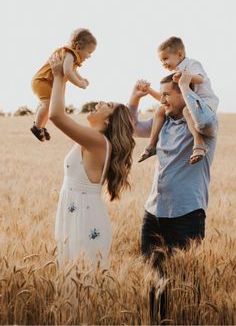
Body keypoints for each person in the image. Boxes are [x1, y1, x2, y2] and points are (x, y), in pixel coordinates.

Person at [128, 72, 218, 320]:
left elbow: (204, 122)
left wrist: (186, 86)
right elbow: (134, 127)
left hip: (185, 214)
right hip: (153, 212)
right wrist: (135, 98)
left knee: (184, 283)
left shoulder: (204, 125)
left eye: (168, 94)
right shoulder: (164, 121)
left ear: (183, 95)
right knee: (153, 280)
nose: (162, 100)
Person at [49, 52, 135, 267]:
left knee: (80, 284)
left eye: (106, 104)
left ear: (108, 120)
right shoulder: (95, 140)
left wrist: (60, 77)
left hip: (84, 219)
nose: (99, 103)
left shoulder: (97, 141)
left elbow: (56, 116)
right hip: (79, 212)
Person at [138, 36, 219, 164]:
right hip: (191, 103)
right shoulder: (175, 74)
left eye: (165, 58)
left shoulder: (192, 64)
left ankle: (199, 143)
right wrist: (149, 91)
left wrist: (185, 77)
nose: (163, 63)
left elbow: (200, 79)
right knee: (160, 110)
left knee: (187, 111)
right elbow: (165, 99)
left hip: (204, 103)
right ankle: (152, 145)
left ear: (180, 54)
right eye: (161, 60)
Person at [31, 28, 96, 142]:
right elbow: (68, 72)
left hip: (47, 82)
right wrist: (80, 83)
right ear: (78, 47)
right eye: (89, 52)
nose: (90, 56)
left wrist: (82, 78)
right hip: (42, 81)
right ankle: (36, 127)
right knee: (47, 105)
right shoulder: (69, 54)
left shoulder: (73, 58)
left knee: (51, 106)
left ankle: (41, 126)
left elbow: (73, 71)